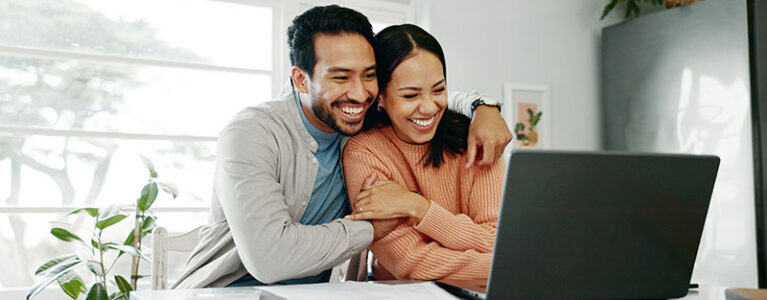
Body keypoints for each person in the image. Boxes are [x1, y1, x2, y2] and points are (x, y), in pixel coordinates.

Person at [173, 5, 511, 288]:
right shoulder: (252, 133)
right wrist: (369, 229)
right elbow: (269, 260)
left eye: (368, 75)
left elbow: (414, 95)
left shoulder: (360, 119)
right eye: (340, 77)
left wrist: (483, 106)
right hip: (222, 292)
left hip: (313, 295)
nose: (359, 92)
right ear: (301, 78)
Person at [343, 24, 505, 281]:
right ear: (380, 97)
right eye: (410, 95)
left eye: (439, 90)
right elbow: (409, 261)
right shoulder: (364, 152)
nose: (429, 107)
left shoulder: (476, 140)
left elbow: (499, 242)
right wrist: (509, 271)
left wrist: (417, 206)